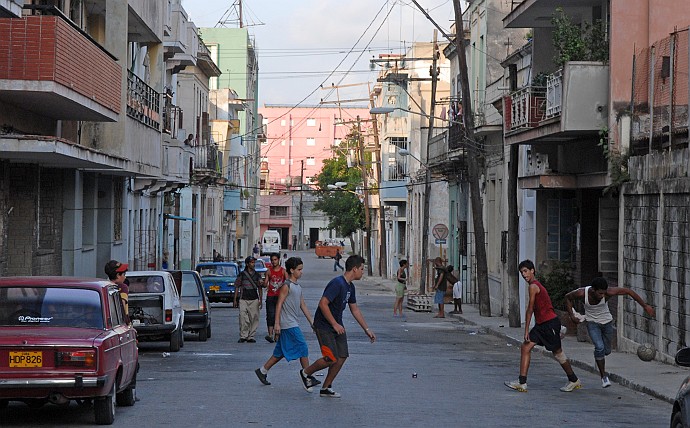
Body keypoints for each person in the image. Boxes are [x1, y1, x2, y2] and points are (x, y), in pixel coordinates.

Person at [299, 255, 376, 398]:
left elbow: (355, 309)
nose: (362, 272)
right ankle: (305, 373)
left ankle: (326, 387)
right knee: (331, 358)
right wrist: (334, 323)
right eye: (361, 269)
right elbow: (323, 303)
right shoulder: (337, 283)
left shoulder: (350, 287)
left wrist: (366, 329)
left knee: (342, 356)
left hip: (337, 326)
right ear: (354, 269)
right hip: (324, 326)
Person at [505, 259, 581, 393]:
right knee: (525, 347)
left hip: (549, 324)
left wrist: (526, 329)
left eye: (525, 271)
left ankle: (573, 380)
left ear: (532, 270)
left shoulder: (533, 286)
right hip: (542, 325)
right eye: (522, 272)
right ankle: (522, 382)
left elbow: (530, 308)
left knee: (558, 353)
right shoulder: (534, 285)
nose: (524, 275)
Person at [565, 277, 655, 388]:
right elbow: (568, 298)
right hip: (592, 323)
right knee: (599, 347)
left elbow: (628, 292)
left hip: (607, 322)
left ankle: (598, 357)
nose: (602, 296)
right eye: (600, 293)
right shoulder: (581, 293)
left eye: (604, 293)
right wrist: (572, 315)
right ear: (593, 290)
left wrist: (645, 306)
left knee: (606, 351)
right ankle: (603, 377)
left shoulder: (609, 292)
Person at [254, 257, 321, 390]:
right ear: (291, 270)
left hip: (291, 322)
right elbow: (279, 304)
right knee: (303, 347)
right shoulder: (286, 286)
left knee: (280, 352)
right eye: (299, 270)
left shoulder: (297, 287)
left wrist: (312, 322)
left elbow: (303, 305)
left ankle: (263, 371)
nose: (301, 272)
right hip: (287, 323)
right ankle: (306, 377)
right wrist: (277, 323)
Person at [234, 256, 263, 343]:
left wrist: (260, 299)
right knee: (243, 317)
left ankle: (251, 336)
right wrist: (235, 299)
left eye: (253, 262)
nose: (253, 264)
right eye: (251, 262)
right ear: (247, 264)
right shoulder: (242, 275)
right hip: (243, 299)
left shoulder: (257, 275)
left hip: (254, 299)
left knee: (254, 318)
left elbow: (260, 288)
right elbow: (237, 287)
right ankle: (243, 335)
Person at [264, 253, 288, 343]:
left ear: (279, 260)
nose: (274, 262)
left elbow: (288, 283)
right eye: (272, 260)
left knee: (280, 315)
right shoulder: (269, 271)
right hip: (270, 296)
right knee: (270, 315)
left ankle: (277, 335)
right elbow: (265, 283)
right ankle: (270, 334)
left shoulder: (283, 271)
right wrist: (262, 282)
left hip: (280, 296)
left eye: (275, 260)